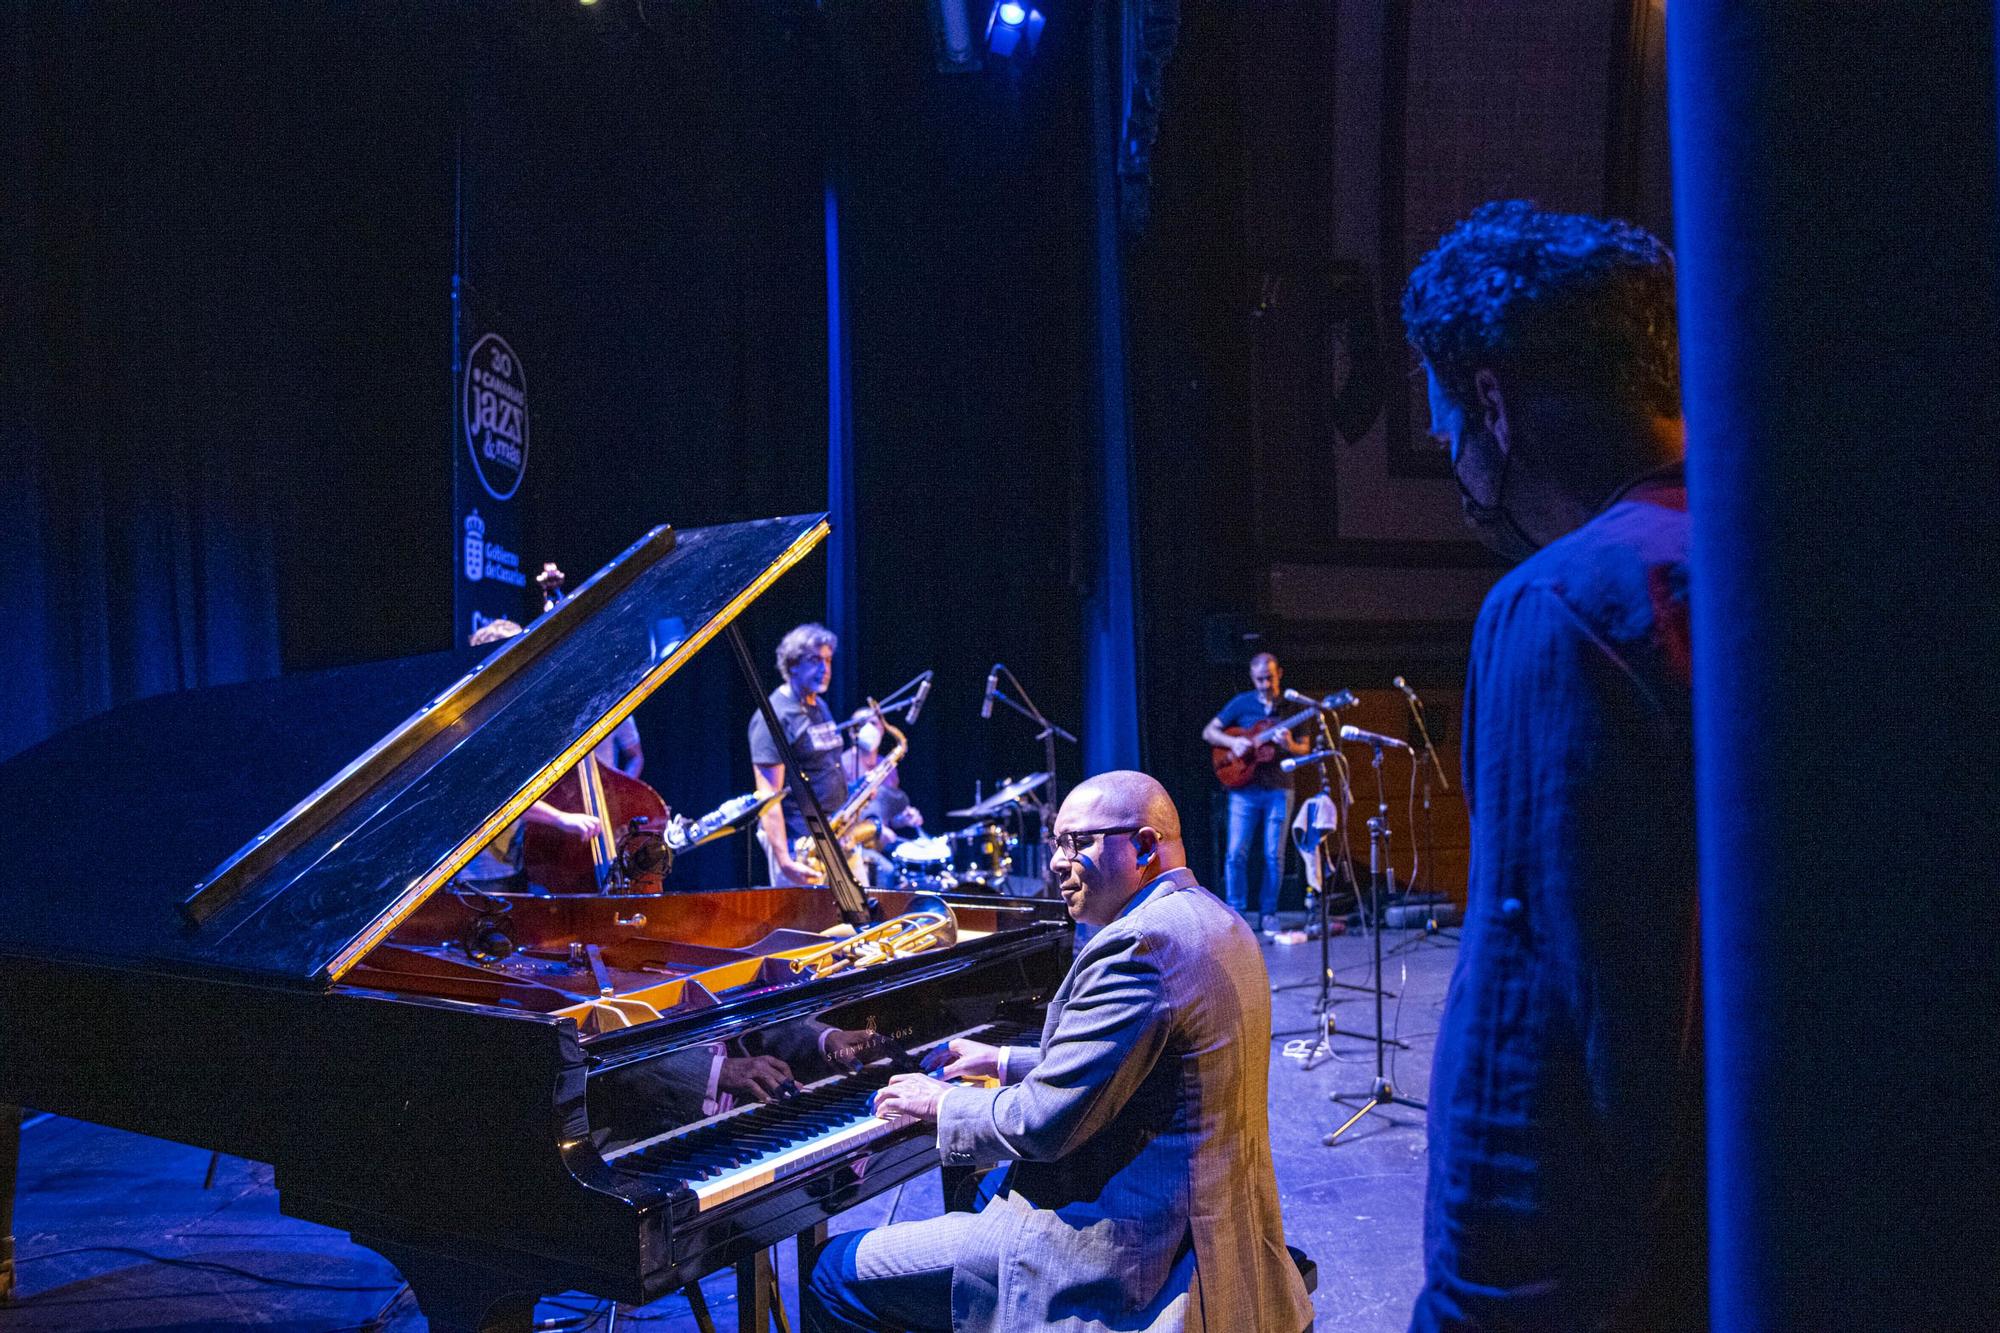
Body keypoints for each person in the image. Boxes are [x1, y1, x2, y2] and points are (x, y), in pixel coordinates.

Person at [1401, 200, 1702, 1330]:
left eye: (1445, 419)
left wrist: (1486, 1288)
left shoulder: (1564, 601)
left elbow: (1566, 990)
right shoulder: (1787, 548)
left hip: (1563, 1273)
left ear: (1490, 400)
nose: (1448, 456)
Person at [803, 771, 1312, 1333]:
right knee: (977, 1199)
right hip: (1206, 1222)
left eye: (1077, 842)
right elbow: (1147, 1067)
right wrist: (1001, 1063)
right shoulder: (1216, 920)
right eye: (1055, 843)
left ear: (1143, 845)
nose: (1056, 862)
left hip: (1126, 1248)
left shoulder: (1137, 946)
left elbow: (1042, 1123)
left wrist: (941, 1104)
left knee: (832, 1273)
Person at [1200, 652, 1310, 935]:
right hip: (1244, 789)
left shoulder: (1294, 707)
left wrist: (1289, 744)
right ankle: (1237, 913)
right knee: (1236, 852)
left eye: (1269, 678)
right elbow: (1209, 732)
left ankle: (1269, 914)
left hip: (1279, 788)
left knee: (1274, 855)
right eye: (1260, 679)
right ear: (1253, 678)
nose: (1264, 684)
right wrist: (1233, 743)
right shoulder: (1242, 703)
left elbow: (1305, 748)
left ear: (1280, 674)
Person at [748, 623, 846, 886]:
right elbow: (768, 797)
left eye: (828, 660)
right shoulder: (774, 716)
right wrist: (784, 860)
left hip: (834, 834)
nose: (825, 669)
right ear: (792, 665)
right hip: (799, 843)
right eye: (815, 660)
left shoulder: (818, 704)